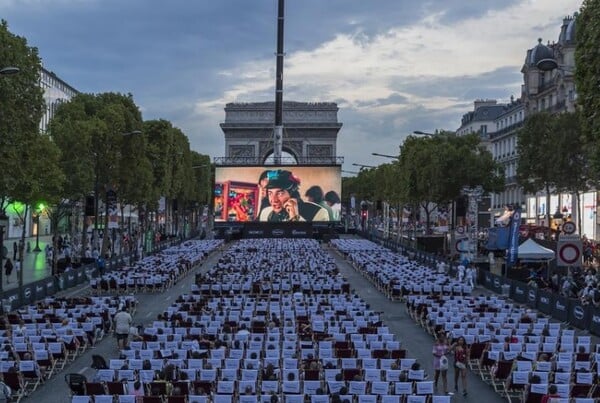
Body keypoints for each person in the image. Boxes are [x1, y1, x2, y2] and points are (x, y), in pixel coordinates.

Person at [258, 170, 329, 222]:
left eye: (280, 193)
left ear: (292, 194)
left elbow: (313, 239)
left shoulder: (319, 213)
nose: (273, 200)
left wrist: (295, 218)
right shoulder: (265, 212)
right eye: (270, 193)